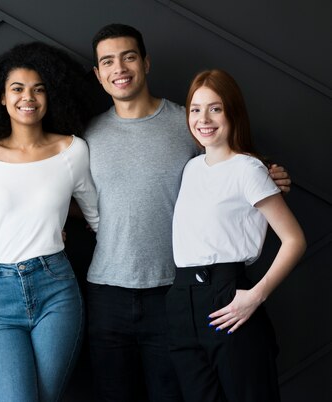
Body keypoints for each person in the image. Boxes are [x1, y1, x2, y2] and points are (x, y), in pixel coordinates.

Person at [84, 24, 292, 402]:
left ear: (145, 62)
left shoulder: (187, 124)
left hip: (174, 290)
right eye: (108, 62)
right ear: (98, 75)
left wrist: (268, 172)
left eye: (129, 56)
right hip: (107, 293)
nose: (120, 68)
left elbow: (227, 164)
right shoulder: (88, 134)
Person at [0, 41, 98, 402]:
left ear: (50, 96)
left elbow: (98, 218)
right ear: (2, 98)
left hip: (56, 288)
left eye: (38, 88)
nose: (28, 97)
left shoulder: (72, 151)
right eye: (17, 88)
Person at [166, 69, 305, 402]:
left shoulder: (249, 169)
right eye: (196, 109)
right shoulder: (192, 168)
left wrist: (255, 296)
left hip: (228, 295)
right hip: (182, 302)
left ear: (232, 112)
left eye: (215, 108)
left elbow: (294, 239)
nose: (204, 118)